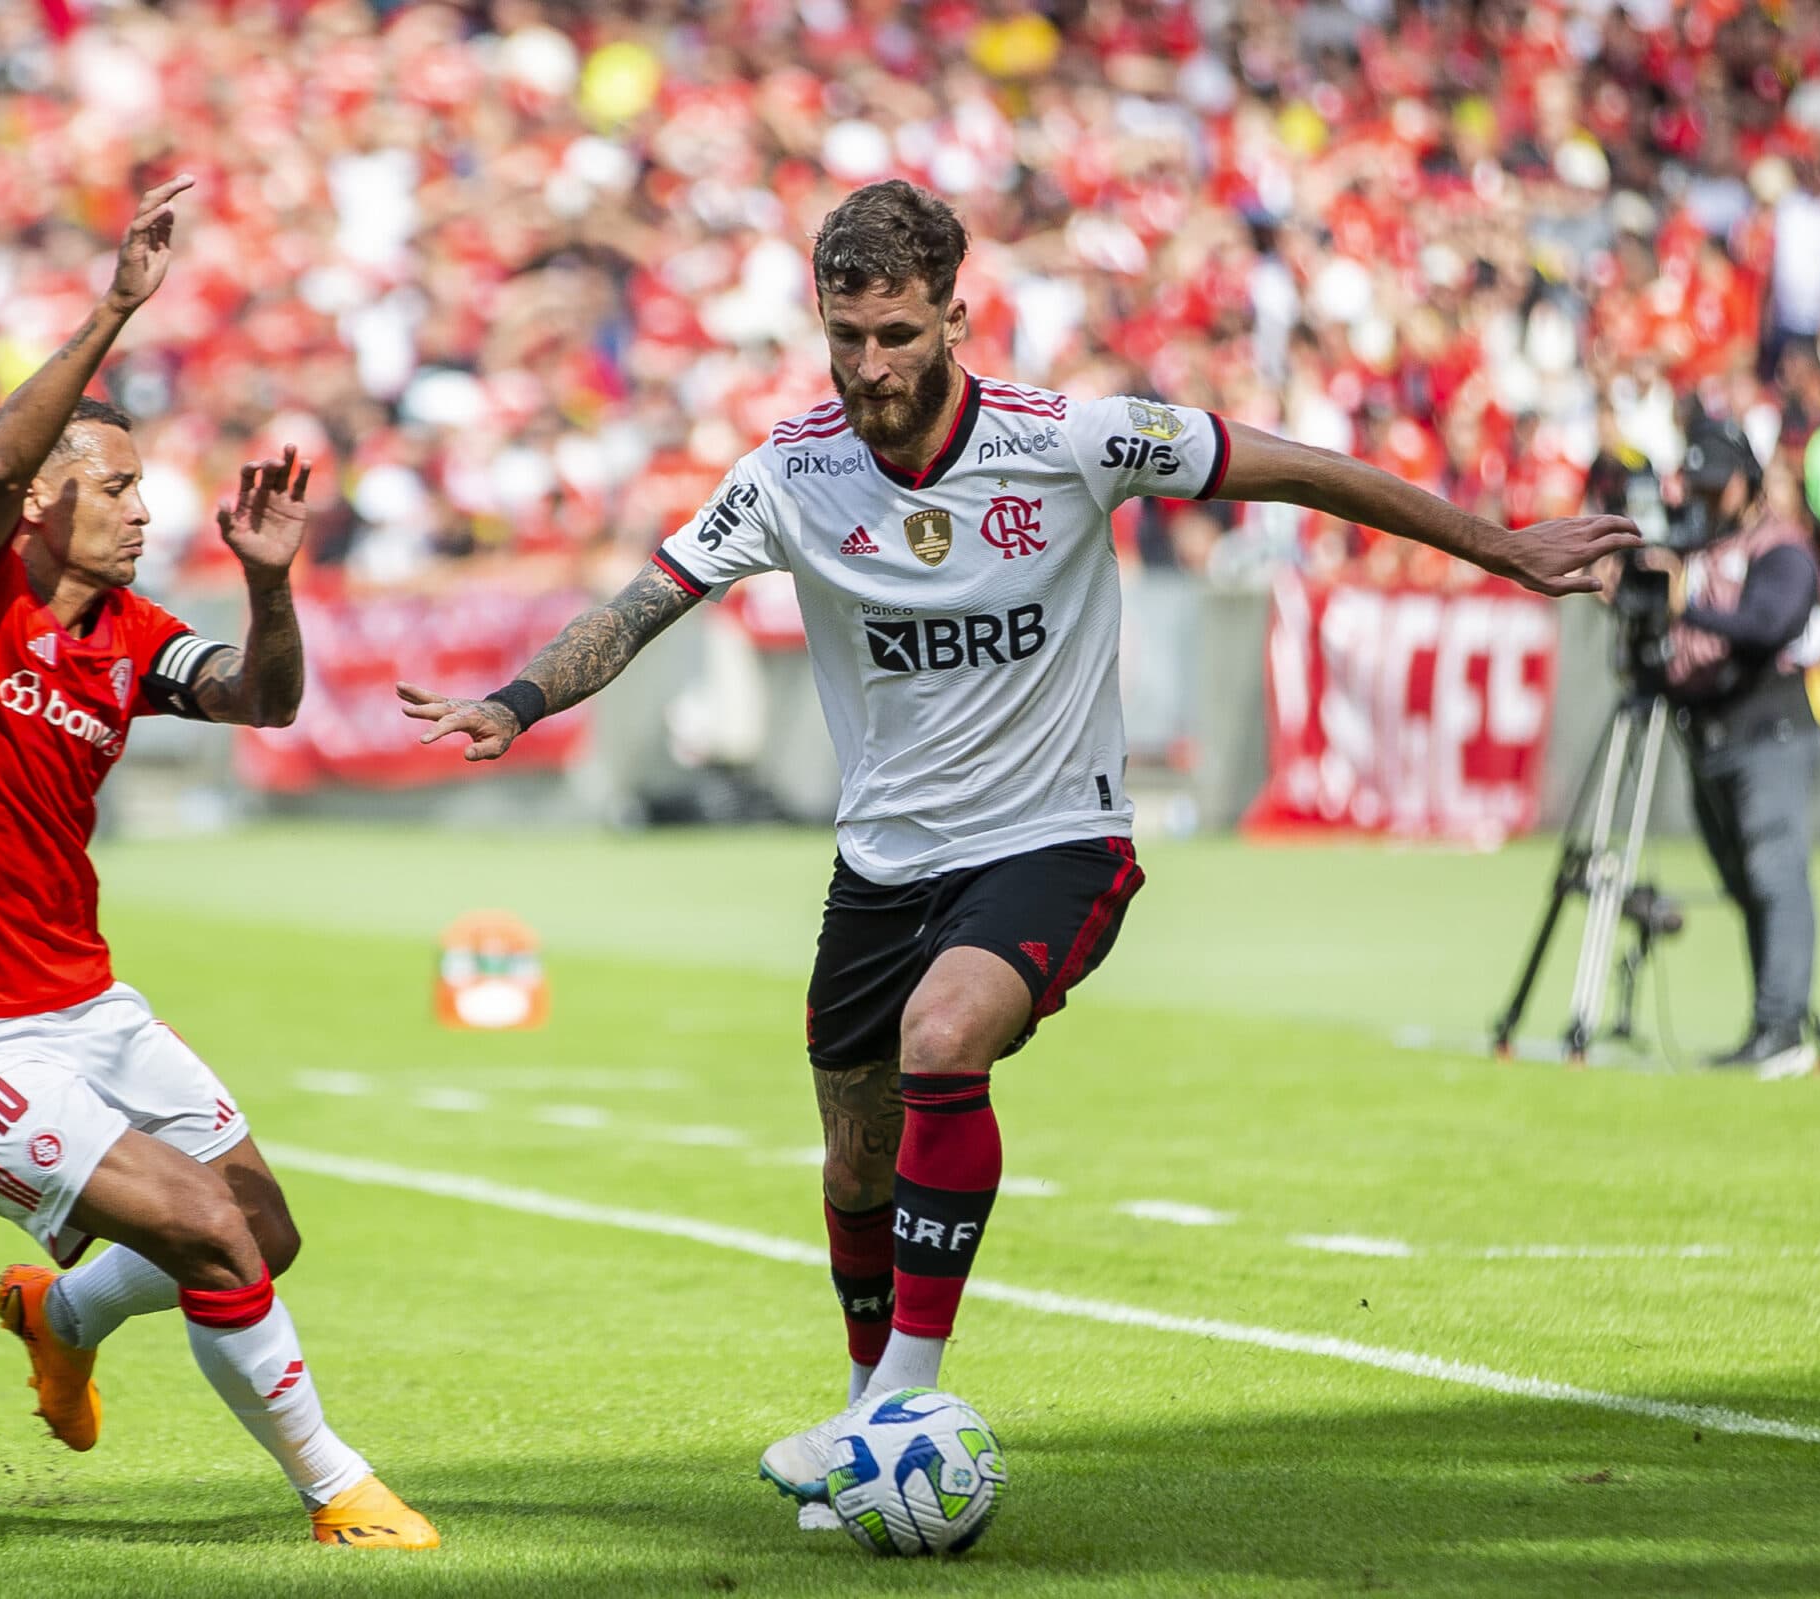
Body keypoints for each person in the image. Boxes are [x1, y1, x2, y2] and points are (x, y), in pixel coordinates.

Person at [393, 180, 1637, 1527]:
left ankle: (899, 1406)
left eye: (900, 335)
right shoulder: (789, 471)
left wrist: (1498, 545)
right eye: (848, 335)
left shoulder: (1075, 440)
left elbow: (1298, 464)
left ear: (958, 320)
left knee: (946, 1036)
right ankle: (874, 1401)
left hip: (1056, 836)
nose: (871, 366)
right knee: (854, 1164)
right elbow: (642, 603)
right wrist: (514, 700)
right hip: (883, 864)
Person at [0, 177, 436, 1549]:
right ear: (48, 501)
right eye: (115, 486)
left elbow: (257, 700)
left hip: (85, 1004)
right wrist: (118, 305)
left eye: (143, 489)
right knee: (207, 1234)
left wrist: (275, 584)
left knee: (261, 1230)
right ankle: (339, 1490)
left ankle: (62, 1312)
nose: (141, 510)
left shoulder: (129, 629)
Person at [1620, 416, 1820, 1078]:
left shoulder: (1782, 549)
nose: (1709, 499)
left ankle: (1782, 1026)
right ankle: (1774, 1020)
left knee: (1774, 872)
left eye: (1720, 485)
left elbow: (1769, 624)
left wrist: (1688, 608)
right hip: (1707, 734)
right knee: (1743, 881)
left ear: (1747, 481)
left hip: (1768, 729)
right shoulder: (1694, 550)